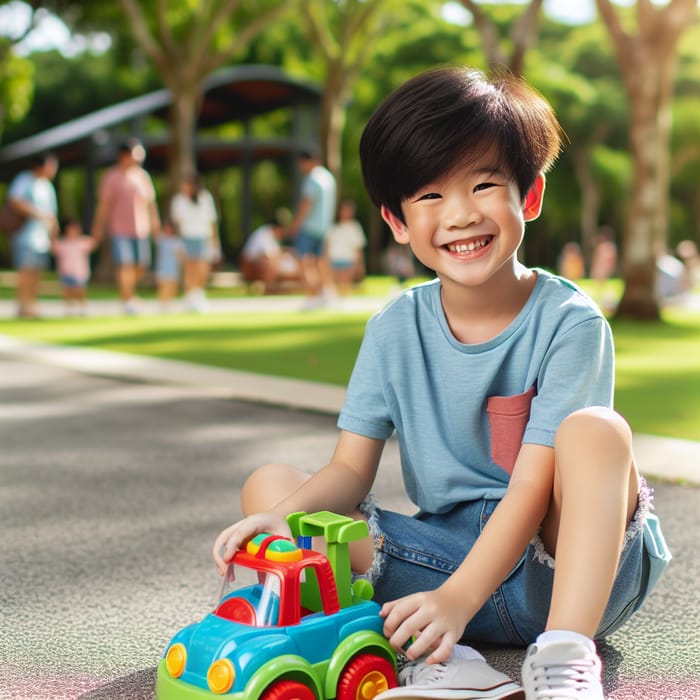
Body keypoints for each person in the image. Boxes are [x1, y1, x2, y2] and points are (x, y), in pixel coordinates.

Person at [211, 67, 671, 700]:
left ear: (529, 198)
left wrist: (459, 596)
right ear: (397, 221)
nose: (460, 214)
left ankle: (564, 657)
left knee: (598, 432)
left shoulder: (571, 322)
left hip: (559, 572)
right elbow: (349, 470)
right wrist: (276, 518)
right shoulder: (394, 328)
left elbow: (534, 487)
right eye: (429, 196)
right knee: (270, 485)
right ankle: (432, 648)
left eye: (484, 184)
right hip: (439, 560)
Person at [91, 138, 161, 315]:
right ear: (124, 155)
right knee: (125, 264)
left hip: (141, 229)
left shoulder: (143, 176)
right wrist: (98, 226)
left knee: (141, 265)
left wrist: (155, 224)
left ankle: (130, 294)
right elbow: (104, 205)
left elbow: (150, 204)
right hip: (119, 229)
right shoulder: (111, 176)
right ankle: (127, 298)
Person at [6, 152, 59, 318]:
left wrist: (53, 235)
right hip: (24, 234)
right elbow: (14, 201)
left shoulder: (47, 186)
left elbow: (52, 214)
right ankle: (23, 304)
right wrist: (37, 214)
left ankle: (32, 303)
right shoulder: (24, 180)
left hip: (42, 237)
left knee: (37, 271)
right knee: (26, 270)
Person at [285, 148, 337, 308]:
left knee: (304, 262)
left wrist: (294, 225)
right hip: (325, 227)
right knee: (322, 263)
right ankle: (328, 294)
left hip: (309, 227)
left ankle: (313, 296)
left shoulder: (312, 179)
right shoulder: (328, 177)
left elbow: (306, 204)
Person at [169, 172, 220, 312]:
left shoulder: (205, 198)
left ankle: (198, 294)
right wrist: (177, 243)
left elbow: (212, 221)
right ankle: (189, 296)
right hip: (187, 238)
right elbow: (177, 224)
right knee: (190, 268)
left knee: (202, 268)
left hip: (203, 237)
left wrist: (215, 241)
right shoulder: (178, 201)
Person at [239, 214, 300, 294]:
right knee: (271, 264)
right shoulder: (264, 234)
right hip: (250, 268)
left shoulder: (271, 236)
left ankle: (277, 289)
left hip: (255, 267)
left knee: (286, 266)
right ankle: (270, 290)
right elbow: (269, 257)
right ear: (278, 228)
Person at [51, 218, 97, 316]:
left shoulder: (83, 242)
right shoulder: (62, 243)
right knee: (68, 291)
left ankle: (82, 307)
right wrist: (53, 234)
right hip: (66, 271)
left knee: (80, 290)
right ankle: (69, 308)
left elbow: (94, 242)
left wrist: (96, 229)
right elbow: (53, 249)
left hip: (80, 272)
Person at [325, 198, 367, 297]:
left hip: (348, 260)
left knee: (345, 285)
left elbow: (358, 247)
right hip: (334, 259)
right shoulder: (334, 227)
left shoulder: (354, 227)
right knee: (334, 285)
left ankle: (343, 300)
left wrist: (359, 264)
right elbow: (327, 245)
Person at [154, 221, 185, 312]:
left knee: (172, 286)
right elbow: (154, 230)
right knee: (163, 286)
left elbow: (181, 255)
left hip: (173, 268)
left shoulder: (176, 241)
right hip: (162, 268)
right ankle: (163, 304)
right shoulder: (161, 239)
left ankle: (169, 303)